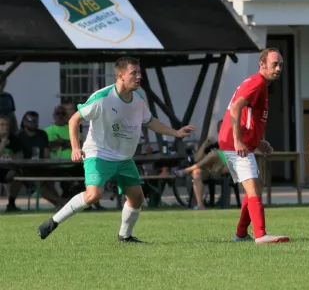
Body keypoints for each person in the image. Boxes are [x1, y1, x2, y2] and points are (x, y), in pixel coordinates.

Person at [37, 56, 196, 242]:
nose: (139, 77)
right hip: (99, 154)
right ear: (120, 76)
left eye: (139, 73)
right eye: (134, 73)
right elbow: (74, 120)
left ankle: (125, 236)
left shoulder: (139, 98)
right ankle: (53, 222)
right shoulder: (102, 98)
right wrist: (75, 148)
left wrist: (175, 132)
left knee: (137, 198)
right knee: (94, 195)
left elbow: (150, 121)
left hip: (124, 158)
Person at [219, 48, 289, 244]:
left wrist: (258, 141)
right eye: (274, 64)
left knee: (257, 185)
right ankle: (261, 234)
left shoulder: (259, 84)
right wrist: (238, 140)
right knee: (254, 189)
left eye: (281, 65)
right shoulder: (257, 83)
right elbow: (236, 108)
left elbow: (246, 117)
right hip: (235, 144)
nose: (278, 68)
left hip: (239, 143)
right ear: (262, 64)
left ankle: (241, 234)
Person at [174, 120, 229, 210]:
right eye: (220, 130)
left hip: (219, 170)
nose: (223, 132)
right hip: (207, 170)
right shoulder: (213, 144)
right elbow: (196, 159)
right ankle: (200, 205)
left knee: (214, 154)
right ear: (218, 131)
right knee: (196, 173)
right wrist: (205, 144)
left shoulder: (232, 143)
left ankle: (187, 170)